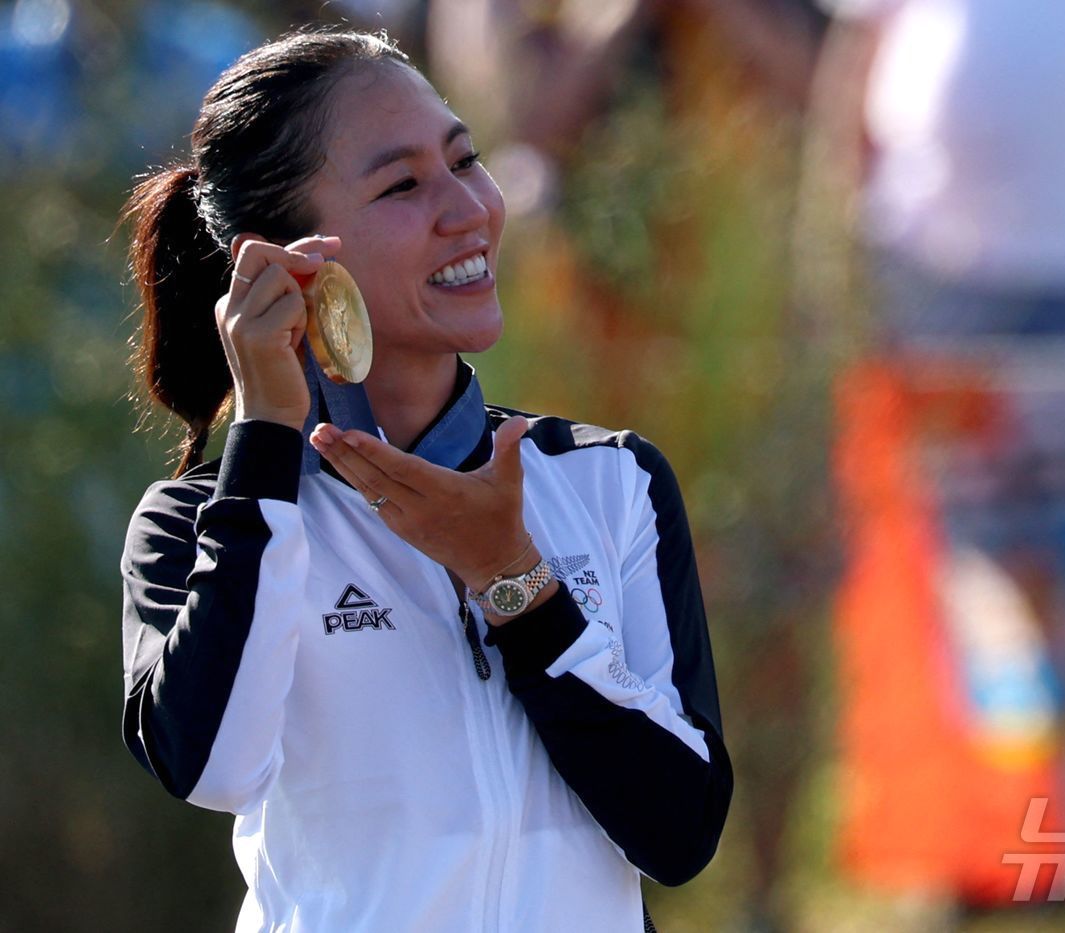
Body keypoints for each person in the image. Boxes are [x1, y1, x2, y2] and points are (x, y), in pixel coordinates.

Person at [117, 28, 731, 932]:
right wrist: (264, 444)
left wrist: (518, 586)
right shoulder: (207, 517)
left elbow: (678, 832)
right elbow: (211, 767)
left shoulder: (611, 480)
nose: (470, 209)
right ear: (285, 261)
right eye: (402, 185)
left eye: (465, 159)